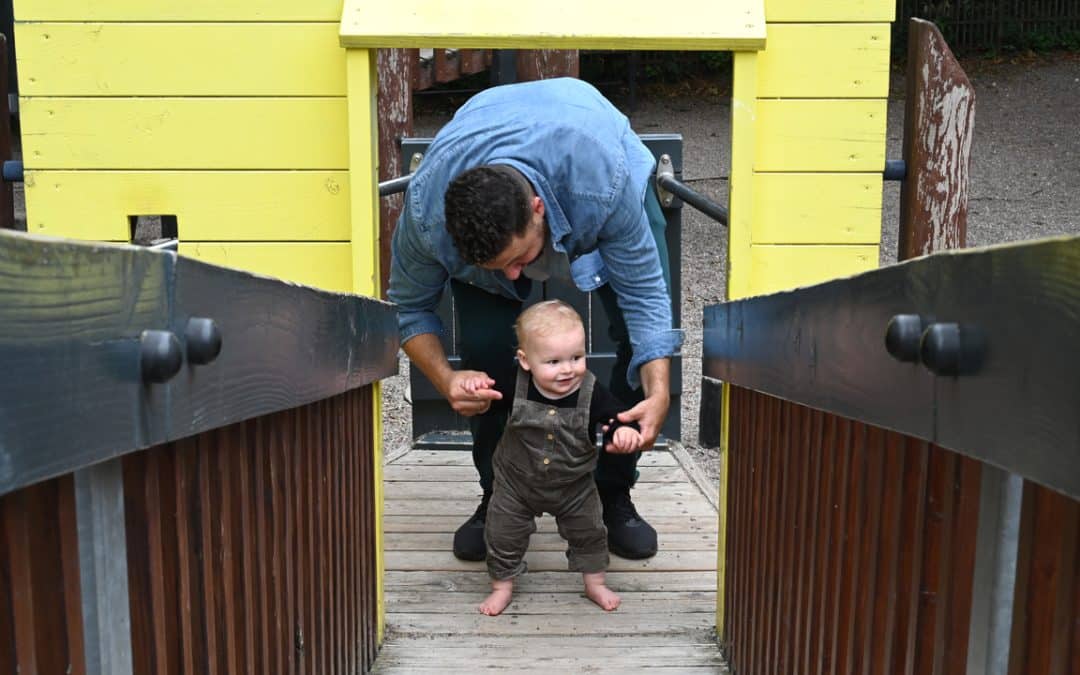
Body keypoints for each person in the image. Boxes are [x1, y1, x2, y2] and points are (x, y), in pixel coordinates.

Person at [387, 77, 682, 562]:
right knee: (486, 349)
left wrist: (658, 394)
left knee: (635, 338)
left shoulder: (601, 182)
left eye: (519, 259)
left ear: (537, 210)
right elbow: (409, 307)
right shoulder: (427, 214)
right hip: (494, 152)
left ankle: (613, 495)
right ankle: (499, 493)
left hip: (596, 160)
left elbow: (646, 296)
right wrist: (445, 379)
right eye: (497, 267)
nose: (514, 278)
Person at [473, 301, 642, 615]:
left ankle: (595, 583)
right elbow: (487, 396)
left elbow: (617, 415)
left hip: (573, 485)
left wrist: (624, 430)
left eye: (576, 357)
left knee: (590, 532)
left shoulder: (591, 391)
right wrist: (477, 390)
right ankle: (502, 586)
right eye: (553, 361)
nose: (567, 369)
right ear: (525, 361)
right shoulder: (514, 382)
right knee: (501, 532)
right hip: (516, 482)